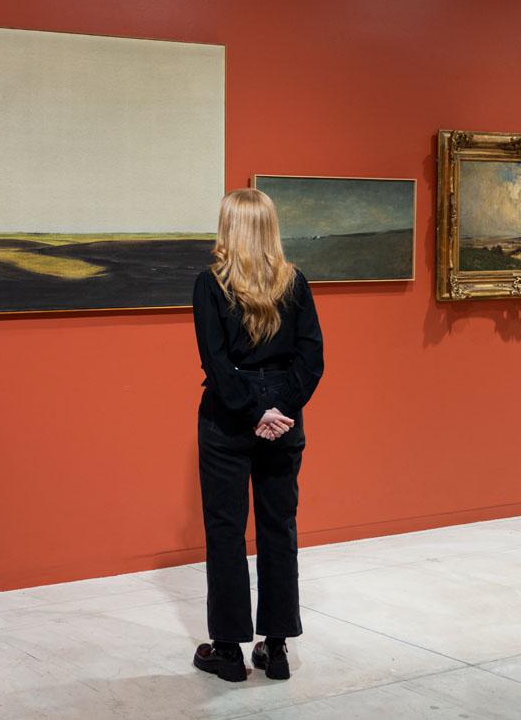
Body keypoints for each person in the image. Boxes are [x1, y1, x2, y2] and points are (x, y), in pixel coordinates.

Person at [190, 188, 325, 683]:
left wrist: (253, 411)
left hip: (228, 418)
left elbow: (216, 362)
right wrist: (280, 409)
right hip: (284, 420)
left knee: (225, 530)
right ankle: (277, 647)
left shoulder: (210, 285)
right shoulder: (296, 283)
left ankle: (227, 652)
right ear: (271, 228)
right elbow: (312, 361)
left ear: (229, 229)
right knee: (278, 527)